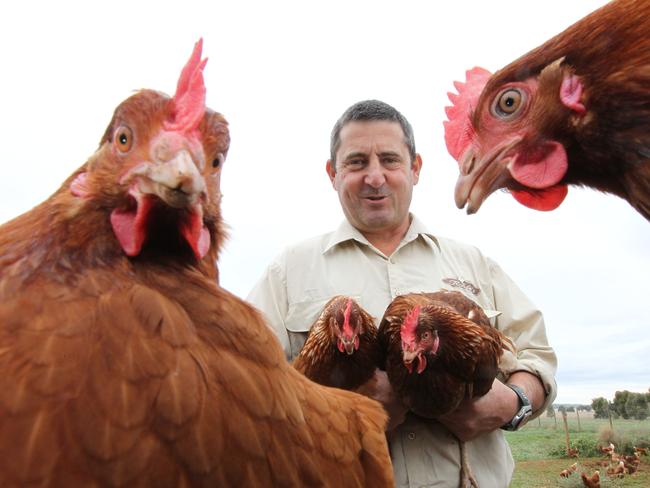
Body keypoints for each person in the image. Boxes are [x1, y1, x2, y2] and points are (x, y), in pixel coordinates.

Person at [247, 99, 557, 487]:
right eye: (357, 162)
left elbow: (537, 355)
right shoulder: (288, 271)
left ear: (415, 169)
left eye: (390, 160)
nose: (374, 177)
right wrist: (335, 411)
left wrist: (513, 403)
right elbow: (247, 387)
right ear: (333, 173)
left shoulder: (473, 263)